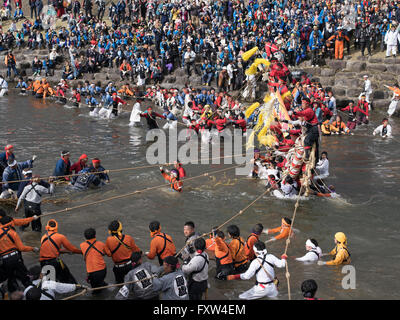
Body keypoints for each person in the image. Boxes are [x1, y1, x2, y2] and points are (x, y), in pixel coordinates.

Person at [0, 216, 38, 293]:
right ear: (10, 224)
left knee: (11, 277)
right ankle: (31, 292)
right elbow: (21, 248)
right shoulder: (13, 233)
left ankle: (14, 293)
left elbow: (21, 221)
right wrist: (32, 248)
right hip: (16, 258)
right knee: (24, 276)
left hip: (5, 260)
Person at [39, 219, 82, 284]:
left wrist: (65, 251)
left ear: (47, 227)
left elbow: (51, 250)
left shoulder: (43, 237)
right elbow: (72, 249)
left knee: (51, 283)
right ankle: (76, 289)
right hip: (54, 262)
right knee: (68, 279)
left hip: (43, 263)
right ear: (56, 227)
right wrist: (82, 252)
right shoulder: (60, 237)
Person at [80, 228, 107, 292]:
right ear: (95, 235)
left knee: (95, 291)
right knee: (100, 283)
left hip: (92, 272)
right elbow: (107, 253)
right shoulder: (101, 244)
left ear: (85, 237)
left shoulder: (82, 245)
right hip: (102, 270)